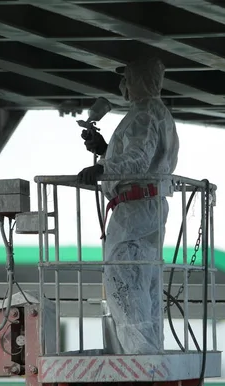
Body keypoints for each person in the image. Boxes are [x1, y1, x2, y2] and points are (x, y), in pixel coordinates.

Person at [77, 57, 180, 356]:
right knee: (145, 283)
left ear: (140, 80)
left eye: (127, 78)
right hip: (149, 204)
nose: (122, 85)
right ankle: (151, 353)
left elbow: (138, 160)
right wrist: (105, 151)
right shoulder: (158, 114)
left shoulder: (143, 115)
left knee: (123, 282)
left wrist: (102, 169)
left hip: (134, 208)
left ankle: (139, 357)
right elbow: (144, 158)